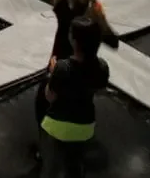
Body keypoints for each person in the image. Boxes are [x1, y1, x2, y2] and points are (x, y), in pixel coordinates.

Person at [35, 0, 119, 132]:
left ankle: (45, 143)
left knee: (46, 101)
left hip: (62, 74)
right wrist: (101, 17)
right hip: (86, 120)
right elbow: (114, 42)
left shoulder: (67, 17)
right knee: (78, 98)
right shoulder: (96, 27)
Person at [39, 17, 110, 178]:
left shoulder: (62, 67)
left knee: (51, 168)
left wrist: (52, 73)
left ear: (74, 40)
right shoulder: (102, 67)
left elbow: (50, 97)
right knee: (75, 166)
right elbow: (100, 90)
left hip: (57, 126)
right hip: (85, 126)